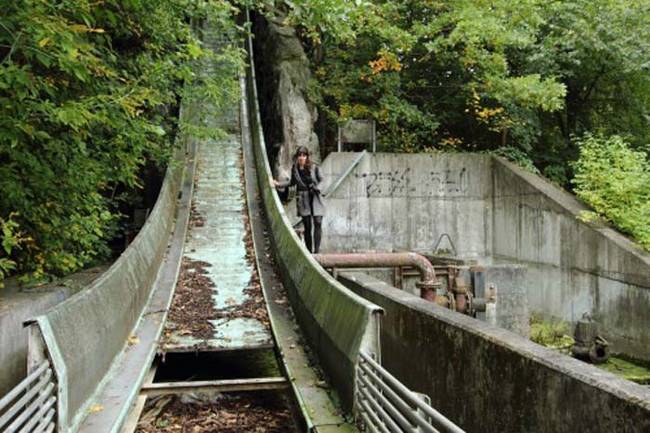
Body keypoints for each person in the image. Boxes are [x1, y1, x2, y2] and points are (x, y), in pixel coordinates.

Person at [273, 146, 325, 253]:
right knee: (307, 225)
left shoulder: (314, 167)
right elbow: (292, 183)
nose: (302, 158)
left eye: (304, 155)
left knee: (318, 222)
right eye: (300, 155)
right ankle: (310, 252)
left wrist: (318, 188)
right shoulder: (295, 169)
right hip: (303, 198)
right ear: (297, 157)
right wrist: (278, 184)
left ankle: (317, 251)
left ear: (307, 157)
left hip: (315, 197)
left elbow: (322, 180)